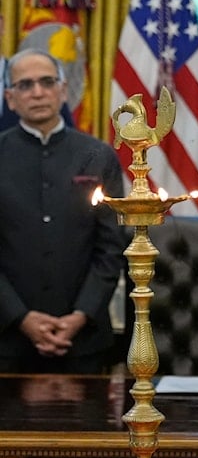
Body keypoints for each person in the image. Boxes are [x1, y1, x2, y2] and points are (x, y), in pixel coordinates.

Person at [0, 49, 126, 373]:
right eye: (25, 85)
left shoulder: (98, 155)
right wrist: (21, 318)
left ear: (63, 90)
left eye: (46, 81)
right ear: (10, 99)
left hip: (84, 341)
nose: (38, 92)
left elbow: (111, 247)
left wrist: (81, 314)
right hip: (7, 339)